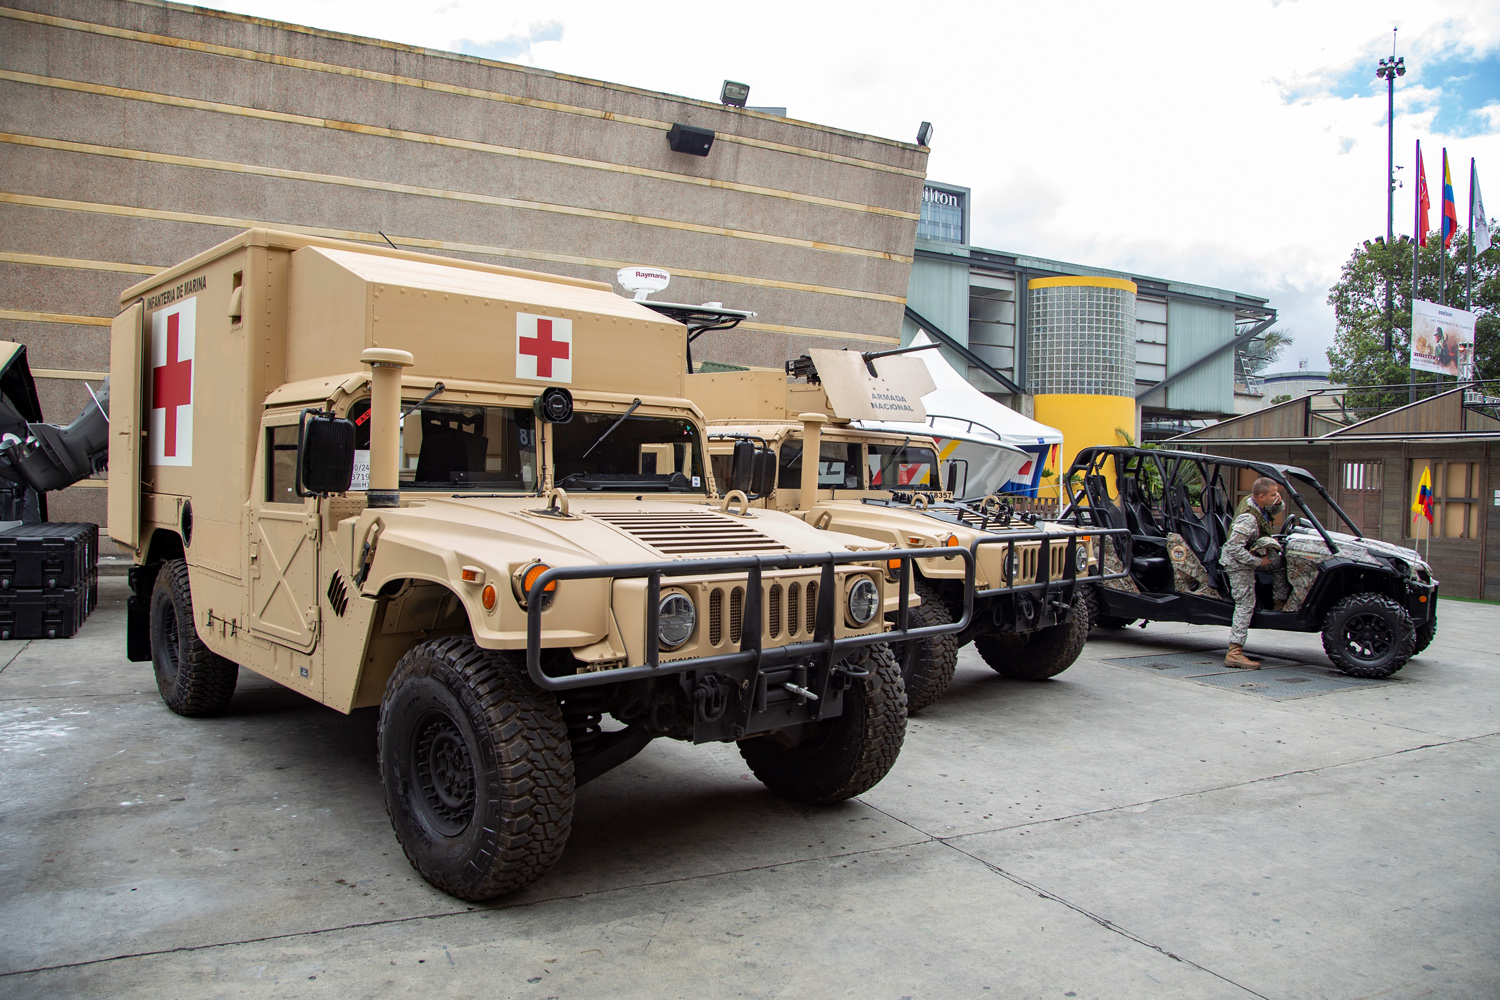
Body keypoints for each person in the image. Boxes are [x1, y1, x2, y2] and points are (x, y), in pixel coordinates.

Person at [1219, 476, 1290, 669]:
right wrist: (1258, 562)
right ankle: (1234, 652)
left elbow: (1275, 509)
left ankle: (1278, 604)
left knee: (1280, 563)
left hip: (1248, 557)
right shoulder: (1248, 518)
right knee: (1245, 603)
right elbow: (1233, 547)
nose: (1277, 497)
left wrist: (1278, 501)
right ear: (1261, 496)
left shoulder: (1258, 505)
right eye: (1273, 494)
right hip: (1237, 563)